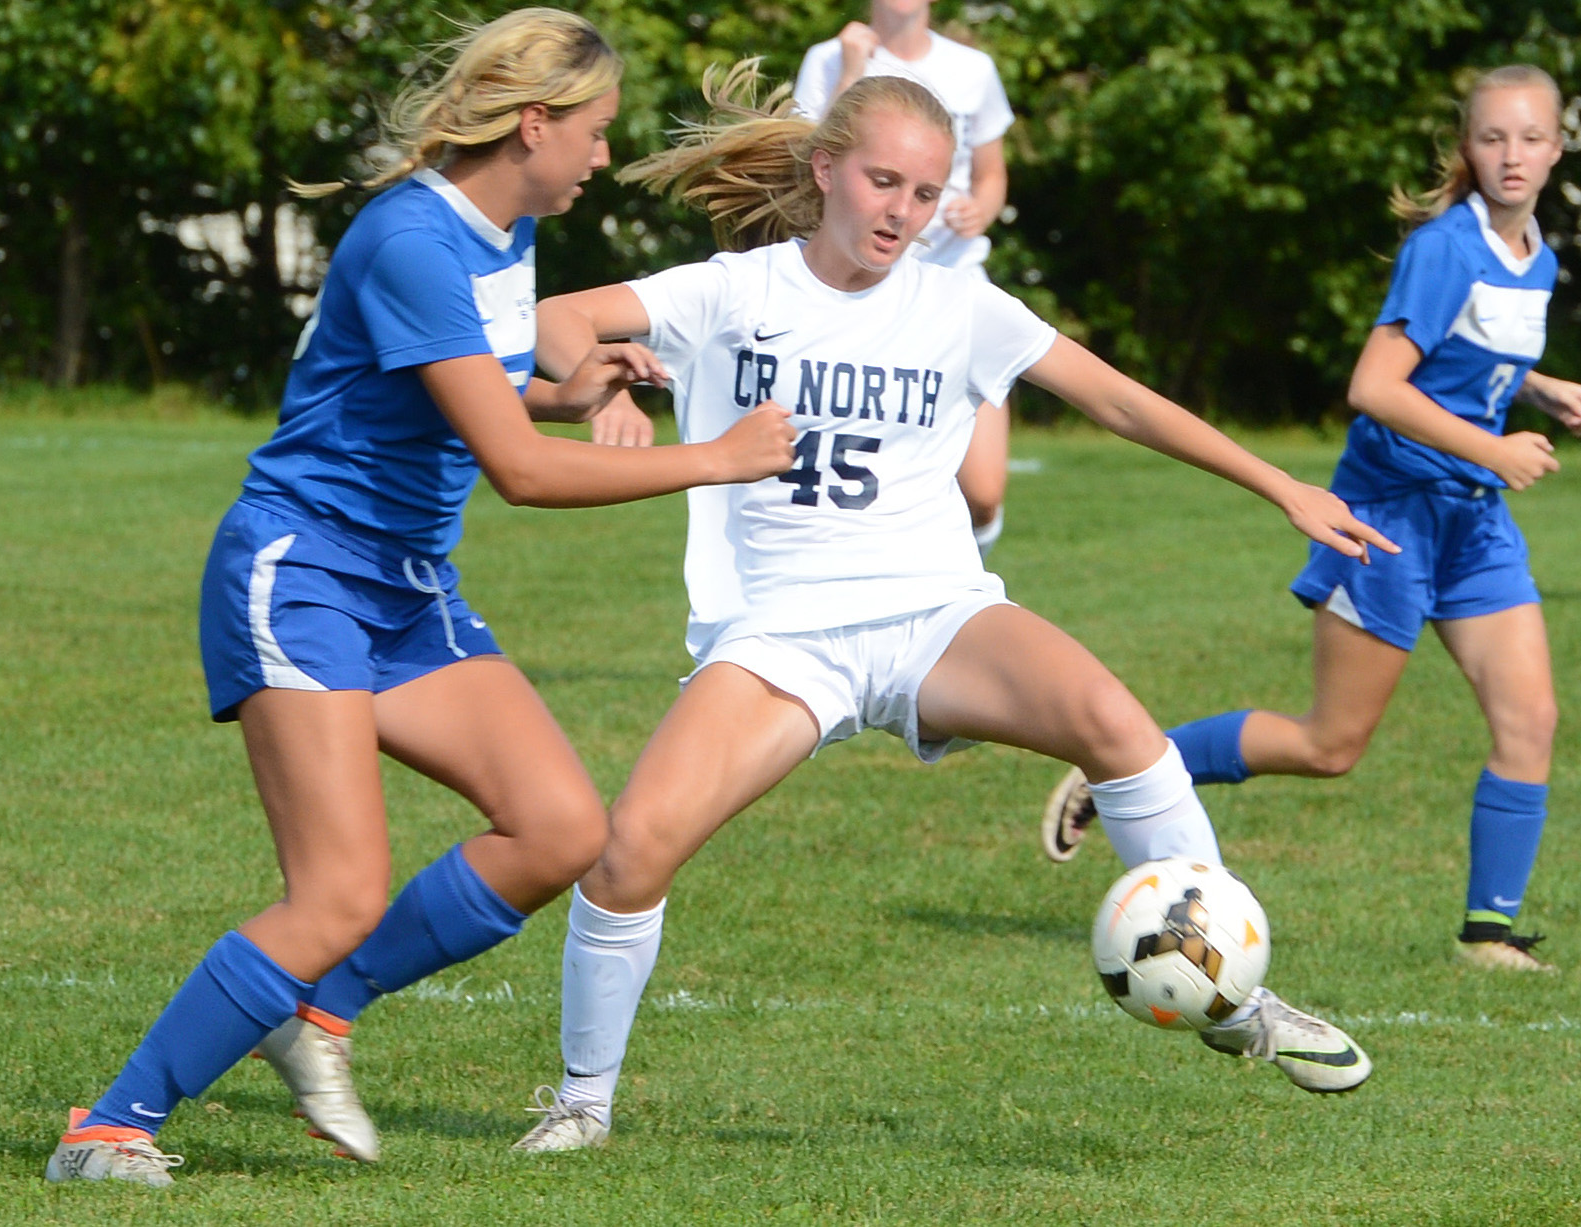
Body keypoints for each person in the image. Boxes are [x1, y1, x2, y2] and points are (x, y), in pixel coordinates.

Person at [506, 63, 1397, 1154]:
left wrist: (1281, 484)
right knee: (630, 848)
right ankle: (582, 1104)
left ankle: (1234, 998)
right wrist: (596, 371)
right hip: (783, 636)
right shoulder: (735, 292)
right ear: (827, 170)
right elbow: (553, 319)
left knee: (1120, 728)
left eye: (926, 195)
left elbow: (1115, 396)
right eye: (883, 182)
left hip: (935, 616)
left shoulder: (958, 305)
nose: (902, 212)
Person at [42, 10, 795, 1189]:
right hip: (304, 577)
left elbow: (474, 401)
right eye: (591, 133)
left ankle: (321, 1011)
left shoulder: (504, 231)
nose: (602, 157)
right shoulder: (413, 240)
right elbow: (521, 474)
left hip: (402, 586)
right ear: (533, 124)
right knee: (336, 889)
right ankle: (108, 1128)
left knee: (559, 831)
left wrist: (563, 386)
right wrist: (717, 457)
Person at [1042, 65, 1580, 974]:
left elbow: (1463, 345)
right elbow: (1372, 387)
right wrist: (1491, 447)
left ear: (1558, 145)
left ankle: (1488, 935)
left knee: (1531, 720)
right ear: (1467, 147)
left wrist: (1539, 386)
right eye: (1491, 138)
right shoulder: (1446, 245)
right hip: (1389, 512)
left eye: (1529, 138)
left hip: (1470, 521)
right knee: (1330, 746)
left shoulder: (1539, 253)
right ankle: (1134, 764)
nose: (1511, 156)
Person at [793, 0, 1016, 558]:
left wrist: (982, 210)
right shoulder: (829, 57)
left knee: (983, 495)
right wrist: (850, 69)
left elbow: (991, 174)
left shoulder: (972, 68)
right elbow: (806, 163)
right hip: (861, 295)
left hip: (954, 279)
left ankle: (963, 584)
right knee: (874, 484)